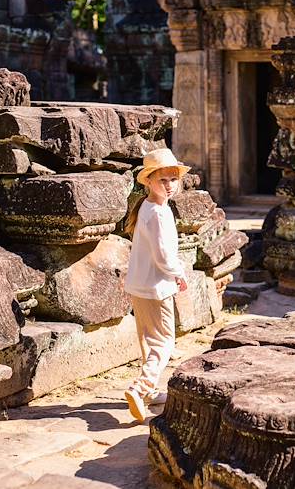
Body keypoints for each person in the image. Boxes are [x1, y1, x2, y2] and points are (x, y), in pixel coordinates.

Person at [123, 148, 189, 422]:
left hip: (140, 286)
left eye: (174, 179)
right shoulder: (158, 214)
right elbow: (163, 255)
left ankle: (148, 391)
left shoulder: (149, 208)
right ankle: (141, 388)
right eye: (163, 180)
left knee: (149, 342)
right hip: (157, 287)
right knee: (164, 342)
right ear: (148, 181)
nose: (170, 186)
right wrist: (179, 273)